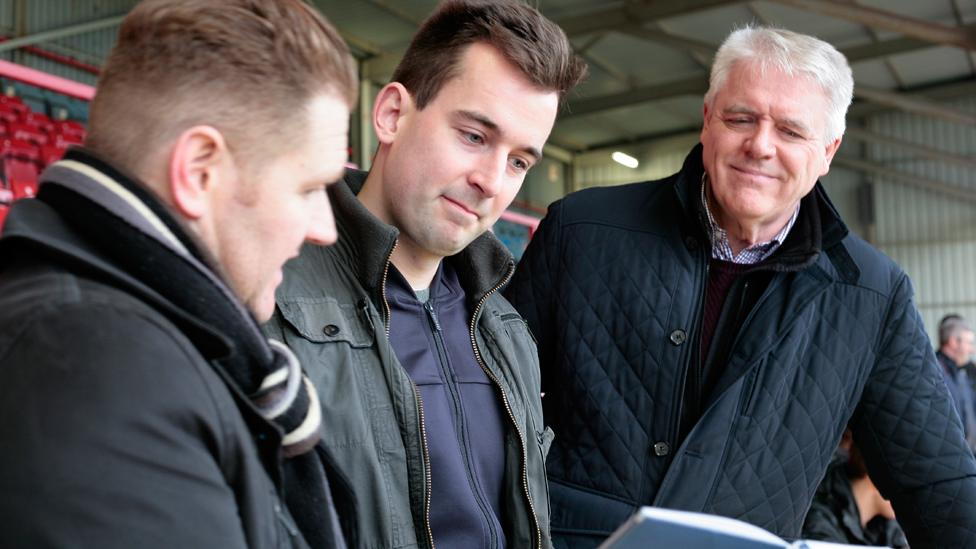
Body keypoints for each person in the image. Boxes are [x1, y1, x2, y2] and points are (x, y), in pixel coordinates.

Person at [505, 25, 976, 548]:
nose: (760, 146)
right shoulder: (582, 231)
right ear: (707, 120)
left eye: (792, 132)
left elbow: (936, 483)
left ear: (828, 151)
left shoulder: (872, 293)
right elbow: (487, 403)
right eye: (740, 118)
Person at [0, 1, 356, 547]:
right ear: (199, 171)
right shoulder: (96, 368)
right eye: (309, 189)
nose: (324, 228)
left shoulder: (134, 338)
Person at [262, 1, 586, 547]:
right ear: (392, 114)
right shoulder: (271, 296)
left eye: (519, 162)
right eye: (474, 136)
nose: (491, 181)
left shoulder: (505, 331)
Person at [802, 430, 908, 548]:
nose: (912, 497)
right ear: (878, 475)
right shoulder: (818, 518)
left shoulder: (885, 526)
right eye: (906, 482)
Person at [936, 315, 976, 449]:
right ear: (953, 342)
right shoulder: (935, 375)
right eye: (969, 343)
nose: (972, 350)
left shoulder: (961, 373)